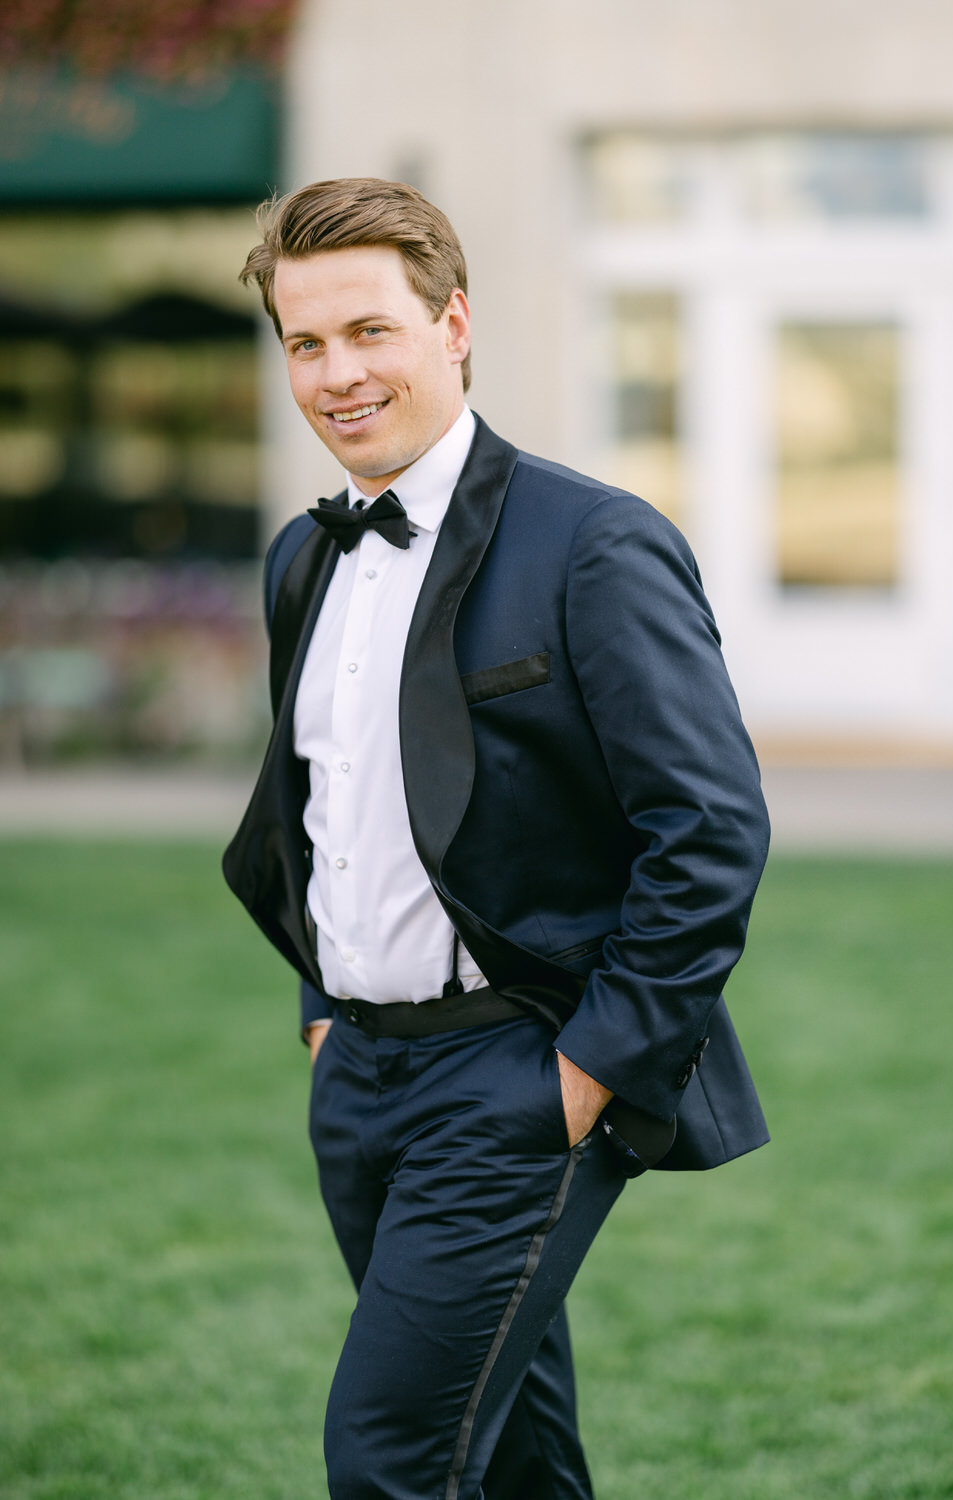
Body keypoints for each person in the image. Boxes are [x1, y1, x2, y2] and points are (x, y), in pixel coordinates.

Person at [223, 177, 770, 1500]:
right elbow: (326, 811)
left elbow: (705, 829)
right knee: (510, 1450)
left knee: (389, 1455)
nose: (335, 373)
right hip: (357, 1076)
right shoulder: (303, 556)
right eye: (305, 343)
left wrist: (590, 1067)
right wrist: (320, 1002)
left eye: (369, 332)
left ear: (452, 323)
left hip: (516, 1076)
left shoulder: (589, 544)